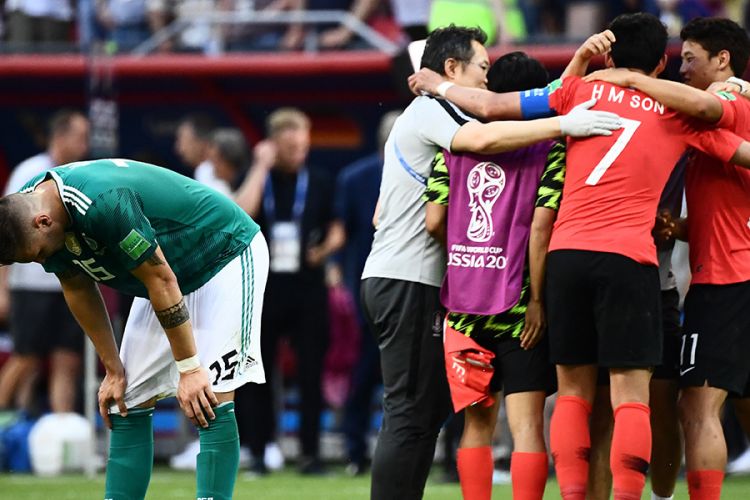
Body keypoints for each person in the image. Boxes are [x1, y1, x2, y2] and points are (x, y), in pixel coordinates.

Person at [409, 13, 750, 500]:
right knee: (631, 397)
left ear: (608, 56)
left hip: (566, 258)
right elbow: (736, 146)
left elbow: (488, 104)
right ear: (661, 63)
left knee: (572, 393)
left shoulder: (577, 92)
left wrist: (438, 86)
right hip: (629, 260)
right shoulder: (676, 113)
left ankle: (572, 495)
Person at [361, 24, 623, 500]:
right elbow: (492, 144)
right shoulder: (447, 118)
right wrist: (565, 123)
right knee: (420, 415)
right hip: (446, 287)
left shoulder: (446, 139)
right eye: (479, 68)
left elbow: (435, 218)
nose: (484, 83)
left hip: (456, 296)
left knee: (444, 418)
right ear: (452, 69)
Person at [0, 157, 269, 500]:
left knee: (209, 393)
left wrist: (189, 368)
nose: (42, 261)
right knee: (125, 398)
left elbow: (161, 279)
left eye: (37, 253)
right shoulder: (30, 208)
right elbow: (77, 286)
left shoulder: (105, 204)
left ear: (43, 222)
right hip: (164, 274)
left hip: (224, 254)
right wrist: (112, 368)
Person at [584, 16, 750, 500]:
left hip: (725, 280)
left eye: (690, 60)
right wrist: (677, 229)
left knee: (697, 406)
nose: (682, 71)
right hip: (735, 264)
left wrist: (631, 77)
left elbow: (700, 101)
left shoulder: (729, 97)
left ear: (723, 61)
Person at [423, 51, 562, 500]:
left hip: (463, 303)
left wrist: (467, 254)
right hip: (521, 305)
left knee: (476, 424)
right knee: (526, 427)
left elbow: (434, 221)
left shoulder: (456, 145)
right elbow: (541, 228)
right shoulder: (551, 148)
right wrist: (538, 300)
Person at [234, 107, 345, 474]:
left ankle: (310, 454)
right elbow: (239, 214)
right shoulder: (258, 178)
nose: (300, 151)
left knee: (311, 373)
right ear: (273, 145)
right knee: (257, 375)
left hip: (307, 288)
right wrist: (260, 167)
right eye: (291, 145)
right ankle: (259, 453)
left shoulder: (321, 180)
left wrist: (325, 250)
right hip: (262, 290)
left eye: (303, 144)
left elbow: (337, 226)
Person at [0, 110, 89, 415]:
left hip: (72, 281)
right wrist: (2, 290)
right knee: (26, 357)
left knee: (69, 359)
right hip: (30, 286)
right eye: (80, 137)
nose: (85, 145)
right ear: (60, 136)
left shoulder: (80, 173)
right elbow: (6, 231)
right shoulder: (30, 171)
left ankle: (61, 434)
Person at [333, 110, 399, 476]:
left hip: (409, 290)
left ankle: (404, 454)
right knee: (362, 376)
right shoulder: (355, 178)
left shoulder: (429, 173)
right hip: (368, 291)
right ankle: (354, 451)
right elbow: (344, 235)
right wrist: (338, 277)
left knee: (407, 379)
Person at [174, 113, 230, 196]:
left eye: (182, 140)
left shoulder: (206, 170)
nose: (179, 149)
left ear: (201, 143)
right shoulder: (205, 170)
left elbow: (220, 207)